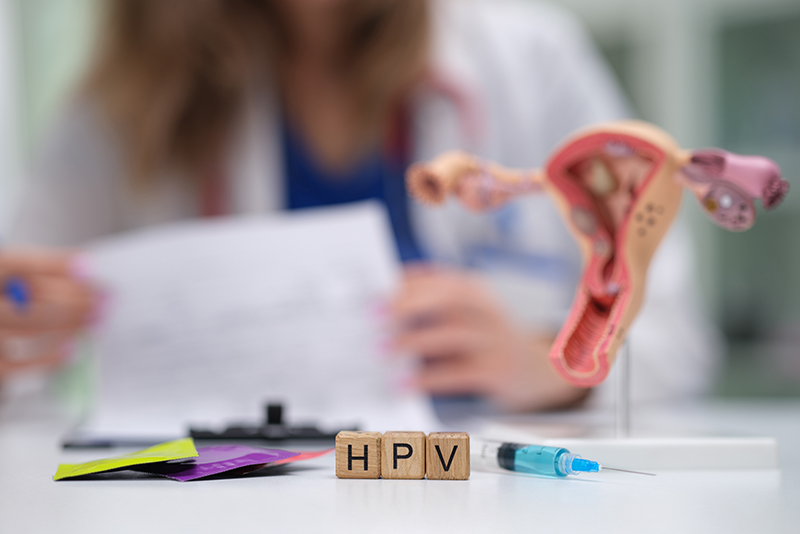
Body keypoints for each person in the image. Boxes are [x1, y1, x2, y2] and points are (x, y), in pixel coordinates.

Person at [0, 0, 719, 410]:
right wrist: (13, 334)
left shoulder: (527, 58)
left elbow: (675, 340)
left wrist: (551, 367)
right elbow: (19, 329)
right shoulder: (127, 101)